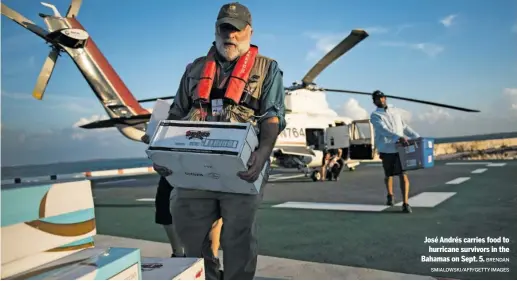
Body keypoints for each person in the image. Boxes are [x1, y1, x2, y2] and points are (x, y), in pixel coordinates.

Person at [147, 2, 286, 279]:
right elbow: (174, 115)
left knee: (238, 237)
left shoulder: (268, 69)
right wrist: (161, 153)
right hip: (193, 169)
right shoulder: (194, 69)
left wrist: (264, 151)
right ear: (216, 30)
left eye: (236, 30)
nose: (230, 36)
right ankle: (208, 276)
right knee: (191, 234)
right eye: (225, 29)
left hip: (242, 169)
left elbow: (272, 116)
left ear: (249, 31)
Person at [141, 137, 223, 259]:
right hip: (175, 159)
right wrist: (155, 149)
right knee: (164, 206)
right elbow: (151, 135)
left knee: (213, 209)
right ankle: (179, 255)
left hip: (205, 158)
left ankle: (211, 262)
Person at [370, 90, 420, 213]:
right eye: (376, 99)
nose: (379, 100)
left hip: (400, 148)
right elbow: (383, 130)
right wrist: (398, 137)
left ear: (385, 98)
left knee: (403, 174)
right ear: (374, 102)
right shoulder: (375, 115)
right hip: (387, 149)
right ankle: (390, 194)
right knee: (389, 174)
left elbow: (403, 126)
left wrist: (417, 137)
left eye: (381, 97)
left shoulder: (395, 111)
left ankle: (405, 203)